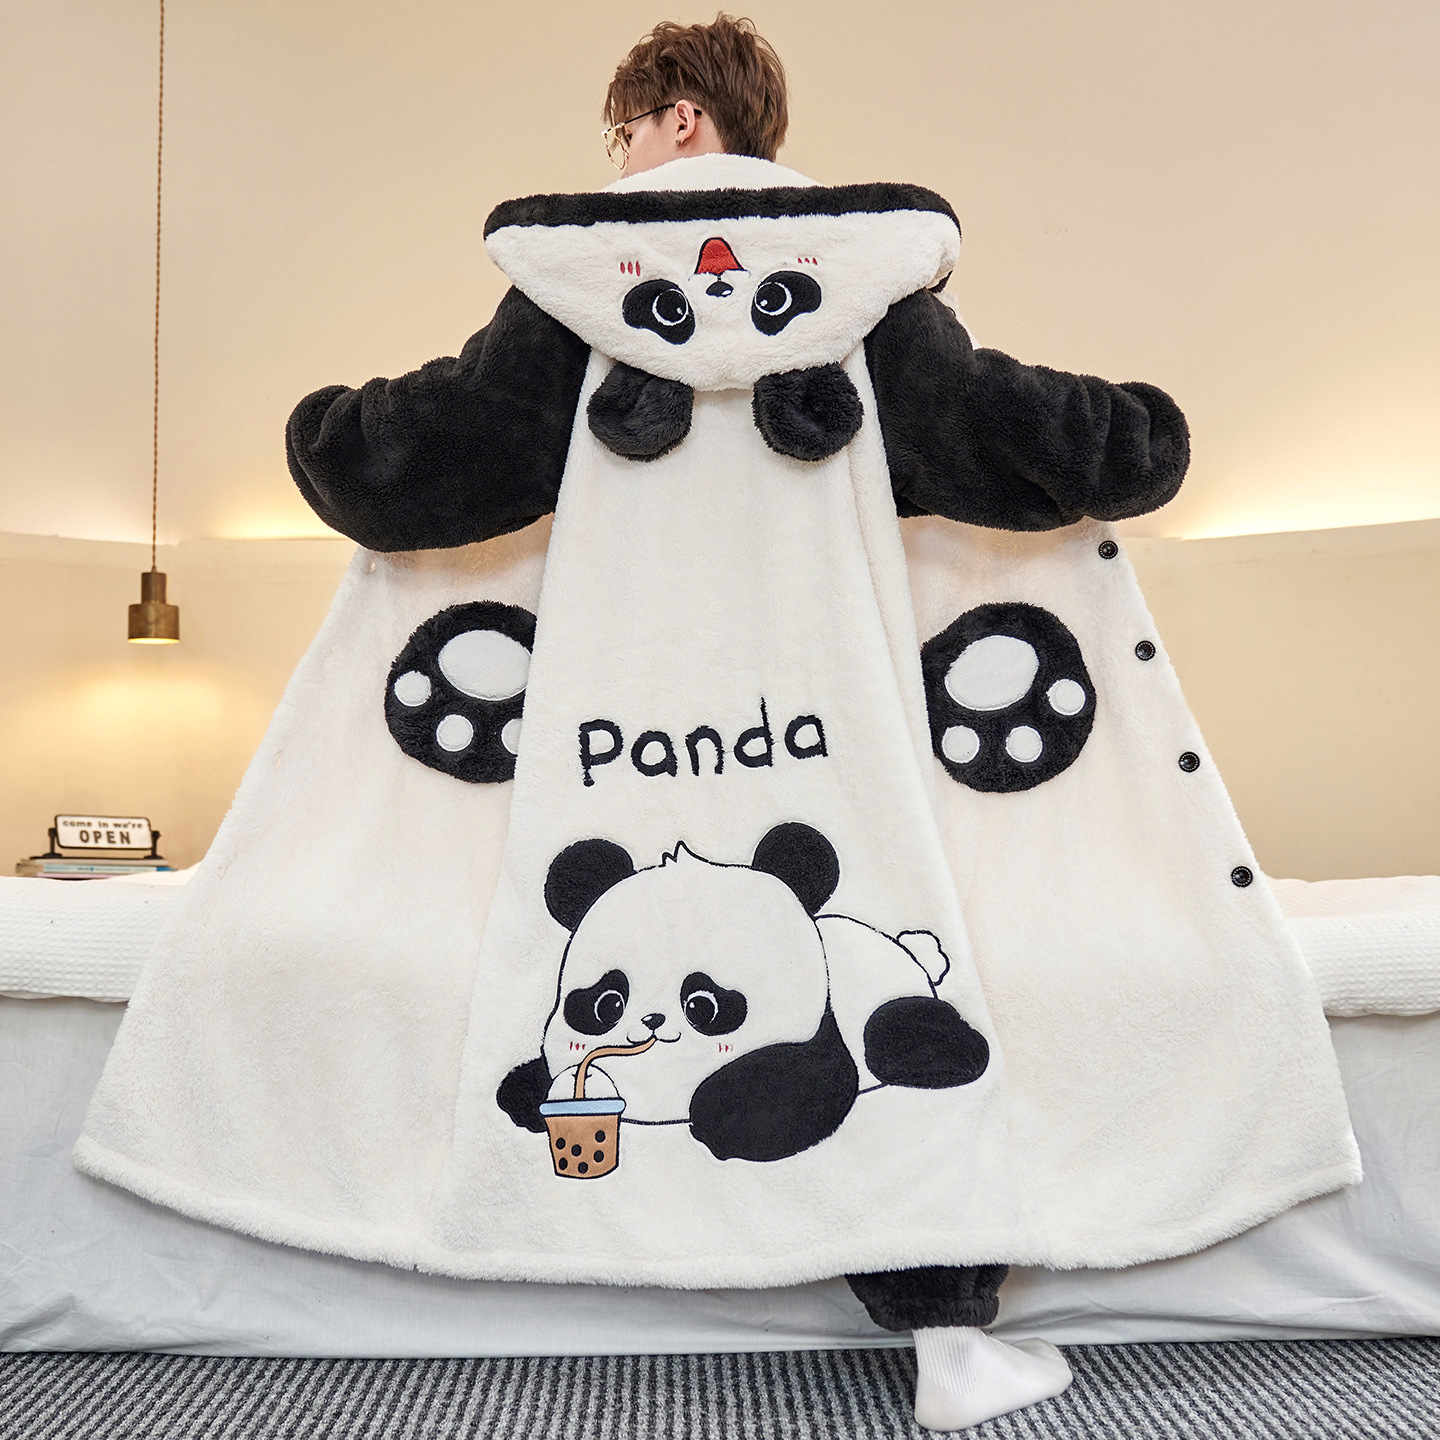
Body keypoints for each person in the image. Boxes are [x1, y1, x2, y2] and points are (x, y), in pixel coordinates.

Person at [76, 12, 1358, 1436]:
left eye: (623, 130)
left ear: (680, 117)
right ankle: (946, 1335)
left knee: (570, 956)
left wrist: (326, 430)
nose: (618, 158)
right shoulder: (866, 283)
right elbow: (1008, 438)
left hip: (608, 735)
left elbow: (425, 468)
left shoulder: (574, 288)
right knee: (863, 945)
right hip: (833, 731)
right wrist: (1137, 432)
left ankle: (537, 1207)